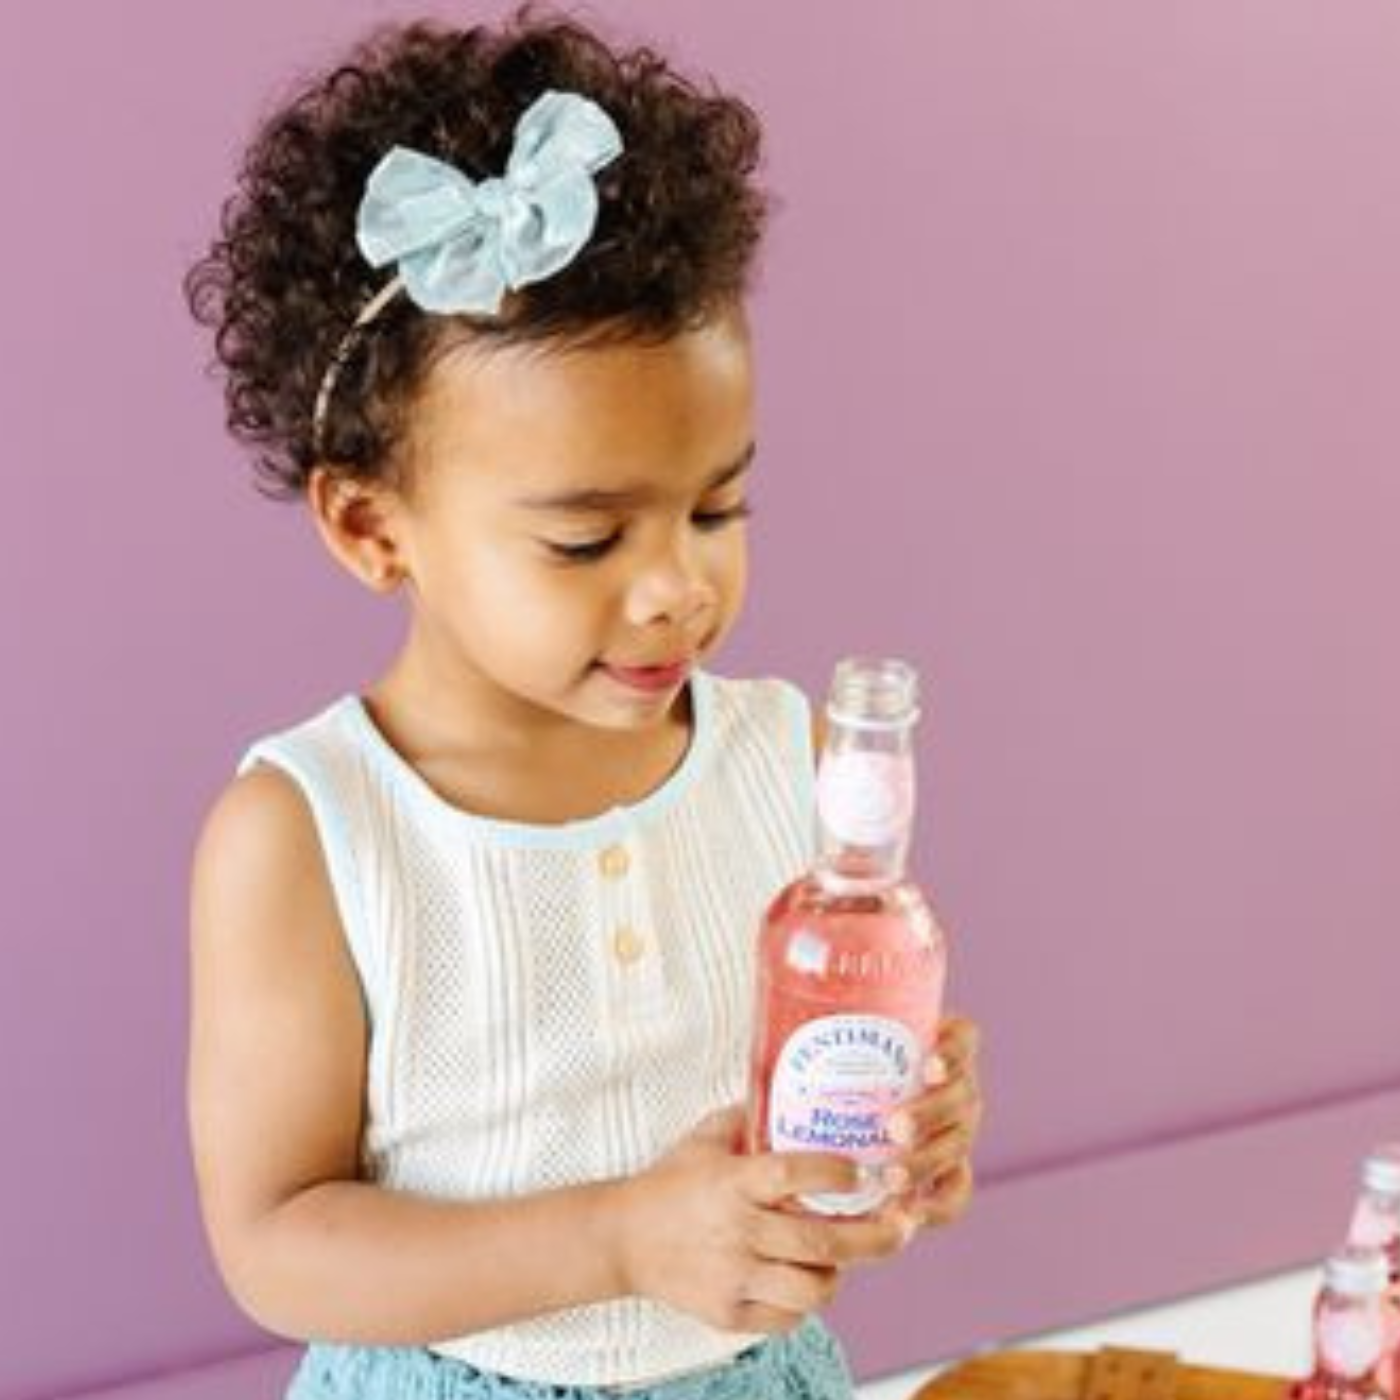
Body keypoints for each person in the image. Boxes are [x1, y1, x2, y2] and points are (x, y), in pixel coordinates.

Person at [183, 10, 983, 1398]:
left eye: (717, 508)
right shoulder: (310, 834)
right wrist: (618, 1240)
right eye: (586, 540)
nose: (677, 588)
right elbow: (276, 1242)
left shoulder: (782, 760)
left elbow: (811, 1079)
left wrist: (900, 1129)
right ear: (373, 527)